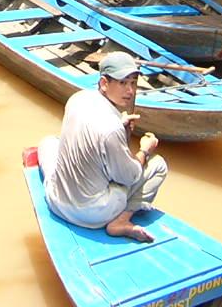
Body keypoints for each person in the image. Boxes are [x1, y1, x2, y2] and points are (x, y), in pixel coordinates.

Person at [37, 51, 167, 243]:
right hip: (91, 214)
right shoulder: (111, 129)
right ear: (104, 83)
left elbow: (97, 134)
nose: (130, 91)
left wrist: (121, 129)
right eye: (123, 83)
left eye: (133, 83)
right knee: (158, 164)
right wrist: (145, 151)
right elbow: (129, 177)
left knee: (48, 142)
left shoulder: (78, 98)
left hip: (56, 200)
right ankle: (121, 222)